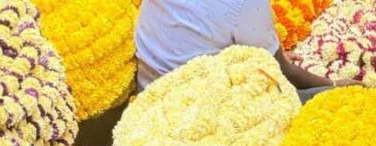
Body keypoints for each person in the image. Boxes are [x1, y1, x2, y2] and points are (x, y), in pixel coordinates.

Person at [134, 0, 349, 99]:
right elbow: (283, 71)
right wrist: (334, 84)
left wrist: (272, 51)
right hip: (194, 110)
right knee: (326, 98)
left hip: (147, 89)